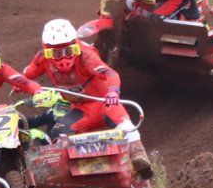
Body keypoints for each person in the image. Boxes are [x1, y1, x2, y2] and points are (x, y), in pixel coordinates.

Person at [20, 19, 154, 177]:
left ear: (75, 45)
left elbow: (110, 73)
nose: (63, 59)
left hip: (104, 103)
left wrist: (112, 92)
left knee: (122, 121)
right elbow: (25, 75)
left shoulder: (86, 55)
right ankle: (63, 174)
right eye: (56, 53)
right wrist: (20, 84)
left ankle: (138, 156)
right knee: (59, 133)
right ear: (46, 50)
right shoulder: (42, 59)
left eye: (68, 51)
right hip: (81, 110)